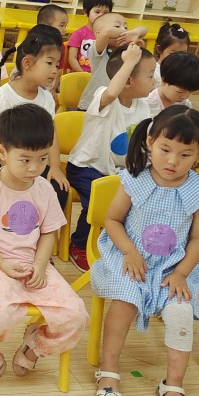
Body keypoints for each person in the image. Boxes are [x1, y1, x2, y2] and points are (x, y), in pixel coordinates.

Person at [91, 106, 199, 396]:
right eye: (165, 149)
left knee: (181, 312)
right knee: (125, 301)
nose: (172, 161)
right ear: (150, 142)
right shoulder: (134, 179)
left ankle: (173, 385)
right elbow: (112, 220)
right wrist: (130, 252)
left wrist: (181, 272)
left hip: (174, 267)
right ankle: (108, 369)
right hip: (128, 256)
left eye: (185, 154)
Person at [0, 105, 89, 378]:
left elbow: (48, 233)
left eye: (43, 159)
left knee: (76, 314)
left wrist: (41, 265)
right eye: (25, 159)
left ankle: (35, 346)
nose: (35, 168)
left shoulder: (44, 189)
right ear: (2, 152)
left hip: (34, 263)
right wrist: (1, 264)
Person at [67, 45, 156, 271]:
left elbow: (143, 142)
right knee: (100, 203)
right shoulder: (103, 96)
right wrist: (130, 61)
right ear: (128, 80)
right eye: (149, 75)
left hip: (119, 171)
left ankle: (119, 244)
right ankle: (79, 244)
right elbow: (112, 92)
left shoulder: (143, 106)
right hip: (86, 167)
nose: (154, 81)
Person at [0, 25, 69, 210]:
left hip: (34, 164)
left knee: (58, 190)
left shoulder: (46, 98)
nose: (55, 71)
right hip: (4, 163)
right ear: (27, 64)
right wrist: (15, 172)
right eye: (49, 63)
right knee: (13, 195)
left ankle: (38, 227)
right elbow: (1, 141)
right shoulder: (3, 95)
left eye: (56, 65)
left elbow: (51, 136)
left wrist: (55, 167)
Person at [77, 12, 148, 111]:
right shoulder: (98, 51)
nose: (124, 30)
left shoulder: (126, 53)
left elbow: (144, 29)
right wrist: (126, 33)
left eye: (126, 27)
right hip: (92, 105)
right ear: (98, 34)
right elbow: (106, 32)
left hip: (114, 108)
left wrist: (135, 32)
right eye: (117, 26)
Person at [146, 51, 199, 117]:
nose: (185, 96)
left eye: (190, 92)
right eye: (180, 92)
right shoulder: (148, 104)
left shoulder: (185, 104)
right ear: (164, 81)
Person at [67, 0, 112, 74]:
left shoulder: (109, 34)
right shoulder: (78, 34)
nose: (101, 16)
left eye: (106, 13)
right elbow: (72, 58)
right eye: (97, 12)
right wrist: (82, 74)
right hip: (80, 75)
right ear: (86, 12)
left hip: (101, 75)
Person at [36, 3, 70, 81]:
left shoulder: (60, 46)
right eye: (61, 25)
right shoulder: (33, 42)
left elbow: (59, 70)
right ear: (45, 26)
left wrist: (53, 87)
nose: (65, 30)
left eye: (66, 26)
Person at [153, 21, 191, 86]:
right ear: (159, 49)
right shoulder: (153, 71)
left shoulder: (183, 70)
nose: (178, 58)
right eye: (173, 53)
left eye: (183, 53)